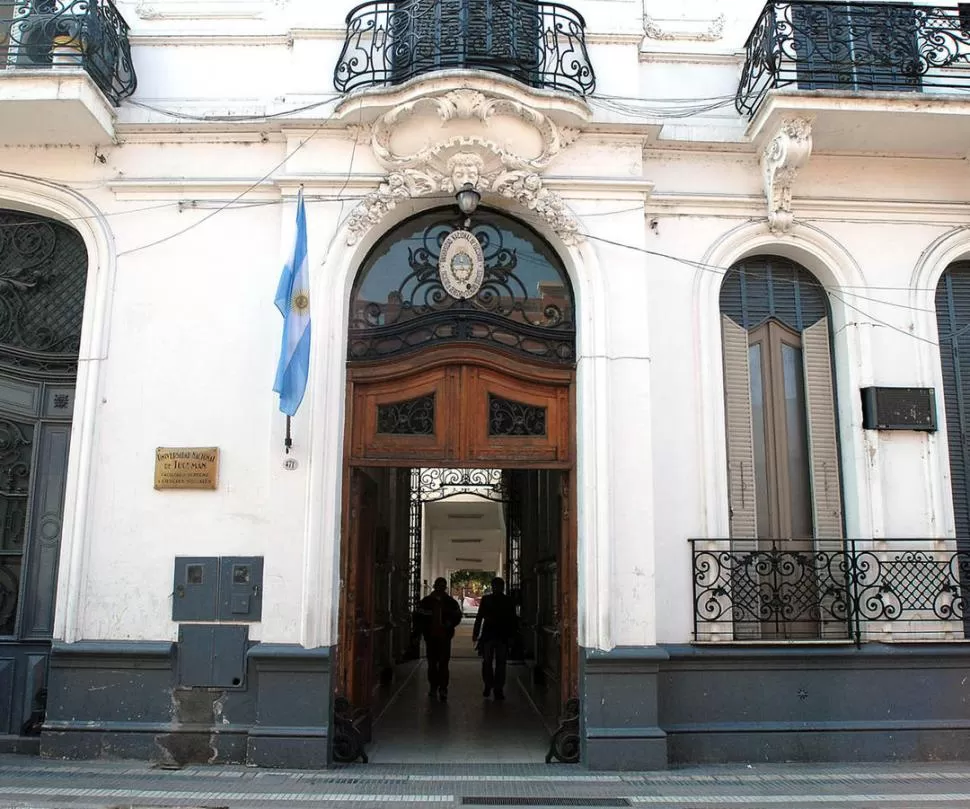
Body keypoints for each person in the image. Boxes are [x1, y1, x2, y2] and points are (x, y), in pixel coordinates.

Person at [414, 577, 463, 701]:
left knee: (443, 663)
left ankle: (443, 688)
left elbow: (457, 616)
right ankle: (433, 686)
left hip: (445, 637)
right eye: (438, 585)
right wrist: (418, 633)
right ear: (435, 586)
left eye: (442, 586)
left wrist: (449, 624)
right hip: (430, 637)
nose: (440, 588)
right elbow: (418, 618)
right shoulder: (426, 602)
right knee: (432, 663)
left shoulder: (450, 602)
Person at [472, 576, 518, 700]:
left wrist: (512, 636)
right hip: (490, 636)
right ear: (492, 587)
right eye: (496, 586)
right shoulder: (487, 600)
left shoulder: (508, 600)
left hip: (501, 635)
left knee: (500, 663)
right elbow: (479, 616)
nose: (497, 588)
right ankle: (489, 685)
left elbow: (513, 620)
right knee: (488, 662)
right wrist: (476, 633)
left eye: (499, 586)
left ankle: (497, 688)